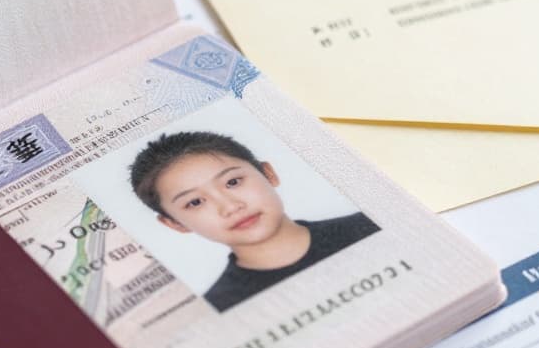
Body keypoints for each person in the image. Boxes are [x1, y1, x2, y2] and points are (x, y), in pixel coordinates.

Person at [130, 130, 379, 311]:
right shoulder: (220, 307)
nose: (230, 206)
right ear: (175, 223)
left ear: (268, 173)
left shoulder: (371, 225)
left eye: (233, 182)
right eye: (195, 202)